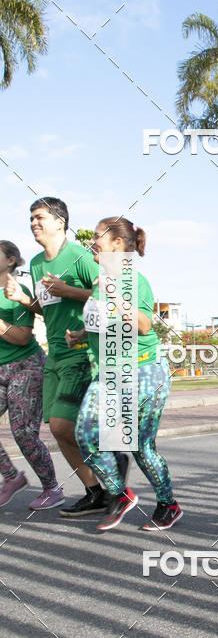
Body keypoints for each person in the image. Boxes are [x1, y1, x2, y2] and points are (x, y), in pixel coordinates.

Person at [66, 217, 182, 531]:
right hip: (111, 372)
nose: (92, 240)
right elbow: (105, 320)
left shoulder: (132, 278)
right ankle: (121, 493)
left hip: (144, 369)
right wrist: (80, 333)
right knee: (87, 436)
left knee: (143, 447)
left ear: (117, 244)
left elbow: (144, 324)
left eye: (98, 235)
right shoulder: (99, 279)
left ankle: (167, 504)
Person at [5, 197, 104, 512]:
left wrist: (69, 291)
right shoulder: (36, 263)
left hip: (83, 351)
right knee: (60, 430)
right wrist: (23, 300)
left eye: (39, 217)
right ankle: (94, 492)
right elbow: (45, 311)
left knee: (66, 427)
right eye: (31, 218)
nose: (33, 223)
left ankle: (115, 484)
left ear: (60, 222)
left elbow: (112, 295)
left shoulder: (80, 257)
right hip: (55, 354)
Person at [0, 241, 63, 509]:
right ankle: (12, 478)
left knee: (24, 433)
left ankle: (52, 488)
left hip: (25, 365)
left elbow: (22, 337)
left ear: (11, 260)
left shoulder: (17, 290)